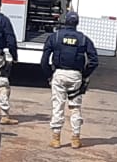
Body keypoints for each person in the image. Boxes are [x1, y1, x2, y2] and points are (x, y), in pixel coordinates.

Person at [41, 11, 99, 149]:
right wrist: (84, 75)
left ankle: (56, 139)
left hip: (59, 75)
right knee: (75, 107)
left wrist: (49, 75)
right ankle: (75, 139)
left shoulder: (55, 37)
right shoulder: (84, 39)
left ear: (65, 21)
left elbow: (44, 60)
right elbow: (94, 61)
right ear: (77, 23)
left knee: (58, 106)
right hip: (76, 76)